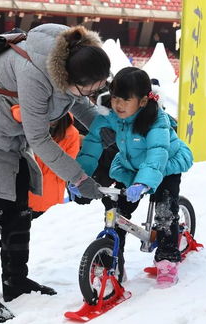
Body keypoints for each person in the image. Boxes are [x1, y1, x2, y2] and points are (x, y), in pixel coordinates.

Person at [0, 24, 111, 322]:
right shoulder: (36, 73)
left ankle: (15, 281)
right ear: (70, 77)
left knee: (20, 202)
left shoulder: (71, 60)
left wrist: (106, 126)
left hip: (7, 132)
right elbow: (40, 139)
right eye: (91, 87)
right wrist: (79, 178)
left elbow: (79, 101)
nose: (94, 94)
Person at [74, 67, 193, 287]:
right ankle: (113, 260)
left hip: (164, 165)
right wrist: (79, 176)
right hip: (130, 167)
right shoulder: (111, 117)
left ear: (143, 101)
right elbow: (92, 146)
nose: (117, 105)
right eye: (115, 98)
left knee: (165, 209)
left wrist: (143, 183)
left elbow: (157, 154)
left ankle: (167, 258)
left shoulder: (157, 121)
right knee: (116, 210)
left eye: (125, 100)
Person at [27, 112, 80, 218]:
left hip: (50, 197)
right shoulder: (31, 126)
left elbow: (66, 167)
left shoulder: (71, 134)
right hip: (27, 193)